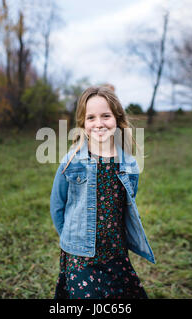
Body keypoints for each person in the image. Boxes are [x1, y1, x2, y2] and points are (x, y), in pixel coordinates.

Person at [50, 85, 155, 299]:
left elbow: (127, 206)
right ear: (83, 123)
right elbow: (57, 205)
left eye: (106, 116)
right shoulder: (72, 161)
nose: (99, 123)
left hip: (115, 252)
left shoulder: (129, 164)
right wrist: (71, 238)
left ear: (117, 119)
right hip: (81, 255)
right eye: (91, 118)